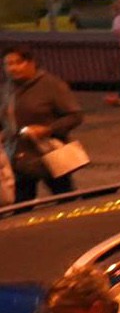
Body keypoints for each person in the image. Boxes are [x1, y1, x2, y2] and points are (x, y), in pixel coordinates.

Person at [5, 45, 85, 198]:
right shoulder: (9, 88)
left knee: (64, 197)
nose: (12, 68)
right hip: (19, 158)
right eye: (8, 64)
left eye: (18, 62)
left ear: (31, 63)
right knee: (21, 204)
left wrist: (47, 129)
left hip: (49, 155)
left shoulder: (50, 85)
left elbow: (75, 116)